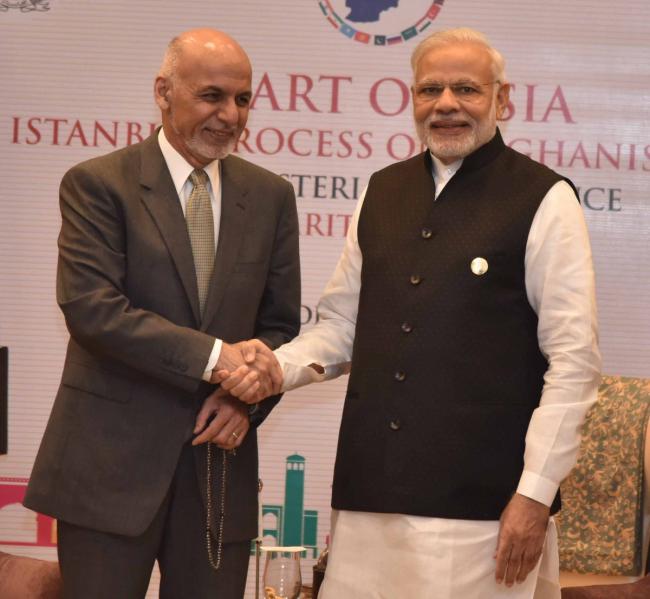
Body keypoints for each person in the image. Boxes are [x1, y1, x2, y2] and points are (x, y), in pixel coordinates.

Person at [218, 28, 600, 599]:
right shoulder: (381, 191)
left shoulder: (545, 198)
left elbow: (574, 362)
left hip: (482, 512)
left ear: (502, 99)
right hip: (368, 499)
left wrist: (535, 494)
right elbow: (342, 327)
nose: (445, 104)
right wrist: (277, 366)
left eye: (466, 89)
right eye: (430, 90)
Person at [24, 28, 300, 599]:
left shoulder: (270, 196)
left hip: (218, 468)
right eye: (211, 96)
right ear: (163, 91)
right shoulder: (98, 183)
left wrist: (246, 400)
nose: (230, 115)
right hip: (108, 469)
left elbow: (278, 328)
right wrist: (219, 360)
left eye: (242, 99)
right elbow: (93, 310)